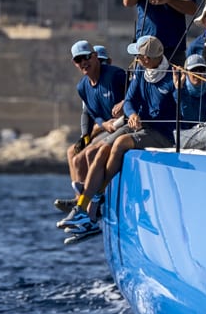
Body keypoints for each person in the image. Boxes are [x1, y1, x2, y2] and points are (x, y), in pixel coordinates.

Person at [63, 35, 179, 244]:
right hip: (141, 127)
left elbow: (183, 109)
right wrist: (132, 113)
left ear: (150, 57)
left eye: (140, 56)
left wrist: (180, 90)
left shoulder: (172, 76)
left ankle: (95, 198)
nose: (137, 59)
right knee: (97, 150)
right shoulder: (142, 71)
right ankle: (82, 207)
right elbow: (130, 101)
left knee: (119, 143)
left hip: (163, 133)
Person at [59, 40, 126, 217]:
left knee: (85, 155)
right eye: (78, 60)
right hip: (100, 128)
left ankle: (90, 204)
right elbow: (89, 114)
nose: (83, 63)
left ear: (96, 58)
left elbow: (135, 96)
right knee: (72, 152)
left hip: (118, 126)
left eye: (87, 58)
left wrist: (122, 108)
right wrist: (86, 136)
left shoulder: (115, 76)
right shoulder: (83, 86)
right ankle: (79, 198)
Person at [176, 48, 206, 129]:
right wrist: (180, 88)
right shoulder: (178, 92)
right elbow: (187, 116)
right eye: (193, 70)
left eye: (201, 69)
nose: (198, 73)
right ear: (186, 72)